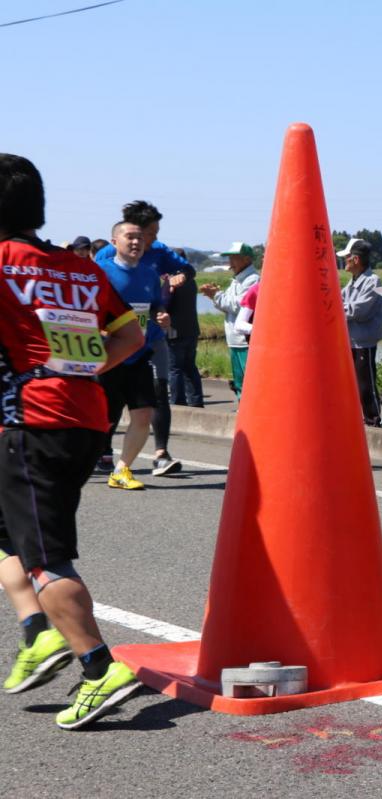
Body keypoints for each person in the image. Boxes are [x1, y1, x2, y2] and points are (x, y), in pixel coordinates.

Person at [0, 153, 145, 729]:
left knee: (45, 557)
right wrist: (75, 371)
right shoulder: (78, 268)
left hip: (31, 423)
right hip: (85, 416)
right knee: (8, 534)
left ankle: (98, 668)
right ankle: (38, 631)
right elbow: (129, 336)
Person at [95, 202, 194, 475]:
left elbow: (157, 300)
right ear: (116, 240)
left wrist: (161, 313)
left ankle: (143, 461)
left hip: (144, 345)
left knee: (150, 403)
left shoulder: (153, 266)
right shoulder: (102, 266)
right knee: (107, 408)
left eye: (146, 236)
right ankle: (97, 451)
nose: (143, 241)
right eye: (137, 235)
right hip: (110, 347)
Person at [95, 222, 173, 489]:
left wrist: (161, 315)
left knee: (143, 414)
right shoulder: (99, 272)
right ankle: (76, 462)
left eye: (140, 238)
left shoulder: (150, 274)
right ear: (114, 241)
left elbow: (155, 305)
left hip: (138, 353)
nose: (136, 242)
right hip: (108, 353)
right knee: (101, 418)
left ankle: (122, 470)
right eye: (130, 237)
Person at [199, 242, 259, 398]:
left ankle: (249, 410)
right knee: (239, 382)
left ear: (246, 259)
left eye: (234, 258)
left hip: (245, 341)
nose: (230, 263)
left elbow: (239, 305)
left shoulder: (252, 280)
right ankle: (242, 409)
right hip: (235, 340)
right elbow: (229, 306)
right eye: (229, 258)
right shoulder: (237, 279)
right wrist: (216, 295)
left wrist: (216, 295)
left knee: (250, 381)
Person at [339, 238, 382, 427]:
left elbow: (359, 310)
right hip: (352, 340)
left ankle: (373, 420)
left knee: (366, 385)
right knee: (353, 384)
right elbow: (339, 300)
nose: (344, 261)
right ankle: (359, 419)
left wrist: (335, 307)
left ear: (356, 259)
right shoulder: (352, 282)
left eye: (346, 257)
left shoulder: (373, 281)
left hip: (364, 341)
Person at [166, 247, 204, 408]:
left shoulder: (173, 281)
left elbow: (165, 304)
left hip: (174, 330)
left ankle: (177, 402)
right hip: (192, 329)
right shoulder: (191, 280)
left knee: (174, 368)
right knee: (190, 367)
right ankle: (196, 401)